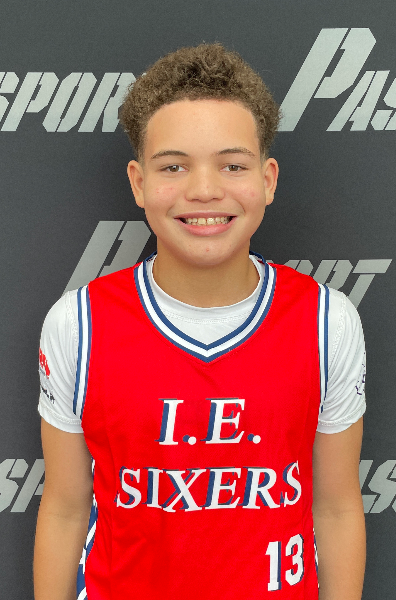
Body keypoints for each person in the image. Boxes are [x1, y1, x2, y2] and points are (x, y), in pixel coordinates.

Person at [34, 43, 366, 600]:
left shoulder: (326, 320)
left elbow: (335, 507)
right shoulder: (79, 323)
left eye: (232, 165)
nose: (205, 190)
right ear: (138, 182)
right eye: (174, 166)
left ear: (268, 180)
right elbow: (66, 507)